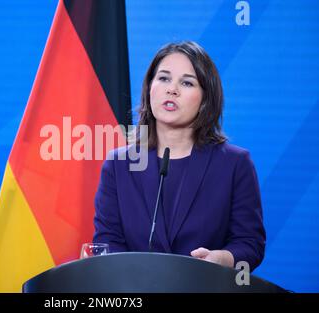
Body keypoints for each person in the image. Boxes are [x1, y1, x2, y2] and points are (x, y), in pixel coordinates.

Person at [93, 41, 266, 272]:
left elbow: (250, 244)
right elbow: (108, 243)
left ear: (206, 98)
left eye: (186, 82)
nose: (172, 89)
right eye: (163, 78)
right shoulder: (118, 165)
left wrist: (222, 259)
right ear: (149, 88)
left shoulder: (235, 164)